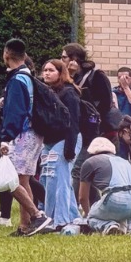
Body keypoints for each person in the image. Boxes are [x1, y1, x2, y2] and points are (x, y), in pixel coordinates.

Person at [0, 38, 54, 237]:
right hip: (34, 133)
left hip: (22, 134)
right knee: (23, 179)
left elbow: (15, 111)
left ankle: (38, 215)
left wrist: (6, 137)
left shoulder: (18, 79)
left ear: (6, 54)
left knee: (10, 180)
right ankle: (25, 225)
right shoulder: (27, 75)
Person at [40, 59, 83, 233]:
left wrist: (69, 148)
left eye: (51, 70)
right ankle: (72, 216)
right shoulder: (46, 93)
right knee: (47, 178)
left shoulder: (69, 94)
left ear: (60, 73)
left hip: (67, 139)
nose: (46, 73)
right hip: (50, 141)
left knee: (60, 179)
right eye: (45, 70)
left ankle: (60, 220)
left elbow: (73, 122)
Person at [72, 137, 131, 235]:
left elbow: (82, 197)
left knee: (91, 217)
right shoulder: (124, 161)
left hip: (117, 200)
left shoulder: (89, 162)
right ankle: (129, 229)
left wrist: (88, 214)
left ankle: (108, 225)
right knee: (130, 195)